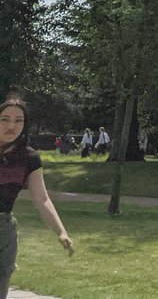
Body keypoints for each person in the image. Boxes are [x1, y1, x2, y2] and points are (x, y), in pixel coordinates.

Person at [1, 96, 74, 299]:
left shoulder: (29, 158)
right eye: (4, 119)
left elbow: (41, 198)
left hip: (4, 232)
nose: (11, 126)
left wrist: (61, 231)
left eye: (18, 120)